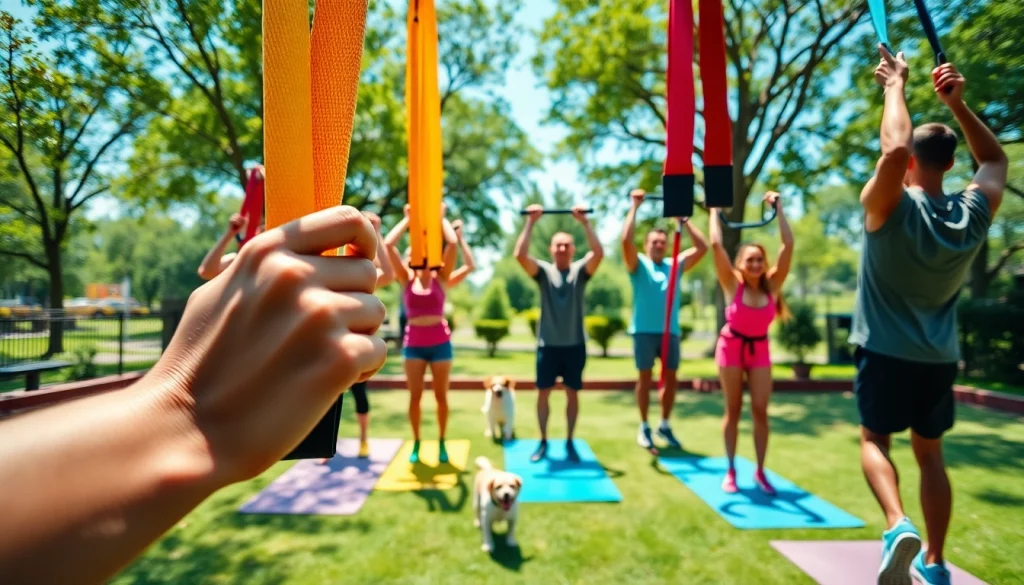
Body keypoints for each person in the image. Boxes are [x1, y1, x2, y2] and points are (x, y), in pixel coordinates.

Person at [0, 205, 388, 585]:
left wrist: (187, 412)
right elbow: (207, 271)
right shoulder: (256, 259)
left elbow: (379, 275)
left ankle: (360, 441)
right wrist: (187, 409)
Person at [850, 47, 1006, 585]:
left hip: (884, 351)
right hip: (939, 359)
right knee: (931, 455)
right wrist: (958, 105)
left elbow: (891, 154)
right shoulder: (970, 214)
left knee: (873, 440)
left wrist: (895, 83)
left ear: (914, 161)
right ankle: (935, 565)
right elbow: (996, 162)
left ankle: (897, 527)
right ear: (950, 162)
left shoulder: (892, 205)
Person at [709, 190, 793, 496]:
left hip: (760, 350)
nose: (756, 264)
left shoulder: (772, 285)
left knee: (760, 410)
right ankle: (731, 469)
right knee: (733, 409)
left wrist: (779, 208)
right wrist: (714, 211)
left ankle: (759, 470)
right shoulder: (733, 284)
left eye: (759, 260)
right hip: (731, 347)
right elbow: (716, 245)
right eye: (750, 260)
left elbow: (788, 245)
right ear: (741, 264)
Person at [384, 205, 475, 465]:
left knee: (441, 397)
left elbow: (453, 244)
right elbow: (389, 245)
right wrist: (407, 220)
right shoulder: (405, 279)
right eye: (414, 252)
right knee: (414, 397)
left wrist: (440, 217)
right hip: (414, 344)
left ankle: (442, 441)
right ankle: (416, 443)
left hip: (440, 344)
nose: (419, 256)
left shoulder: (441, 277)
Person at [515, 204, 604, 463]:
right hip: (548, 345)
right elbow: (520, 255)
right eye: (558, 245)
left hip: (575, 344)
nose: (562, 249)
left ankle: (569, 441)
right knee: (543, 393)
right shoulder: (543, 272)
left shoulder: (580, 272)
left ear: (573, 250)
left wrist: (585, 223)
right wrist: (531, 222)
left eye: (567, 245)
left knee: (572, 393)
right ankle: (543, 441)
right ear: (551, 250)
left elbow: (599, 253)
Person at [621, 188, 707, 451]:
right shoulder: (639, 265)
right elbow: (625, 241)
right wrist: (634, 207)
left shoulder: (675, 264)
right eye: (653, 242)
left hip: (670, 331)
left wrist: (684, 221)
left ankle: (665, 424)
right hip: (644, 332)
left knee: (670, 379)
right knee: (644, 379)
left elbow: (703, 247)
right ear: (647, 245)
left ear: (667, 244)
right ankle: (644, 425)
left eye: (662, 241)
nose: (658, 245)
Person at [318, 212, 394, 462]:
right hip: (335, 345)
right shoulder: (332, 276)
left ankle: (363, 441)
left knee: (360, 397)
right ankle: (325, 447)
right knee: (329, 398)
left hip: (359, 346)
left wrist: (378, 234)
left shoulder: (366, 278)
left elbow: (389, 274)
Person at [197, 213, 265, 281]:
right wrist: (230, 233)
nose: (261, 229)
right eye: (260, 226)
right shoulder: (237, 261)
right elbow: (207, 272)